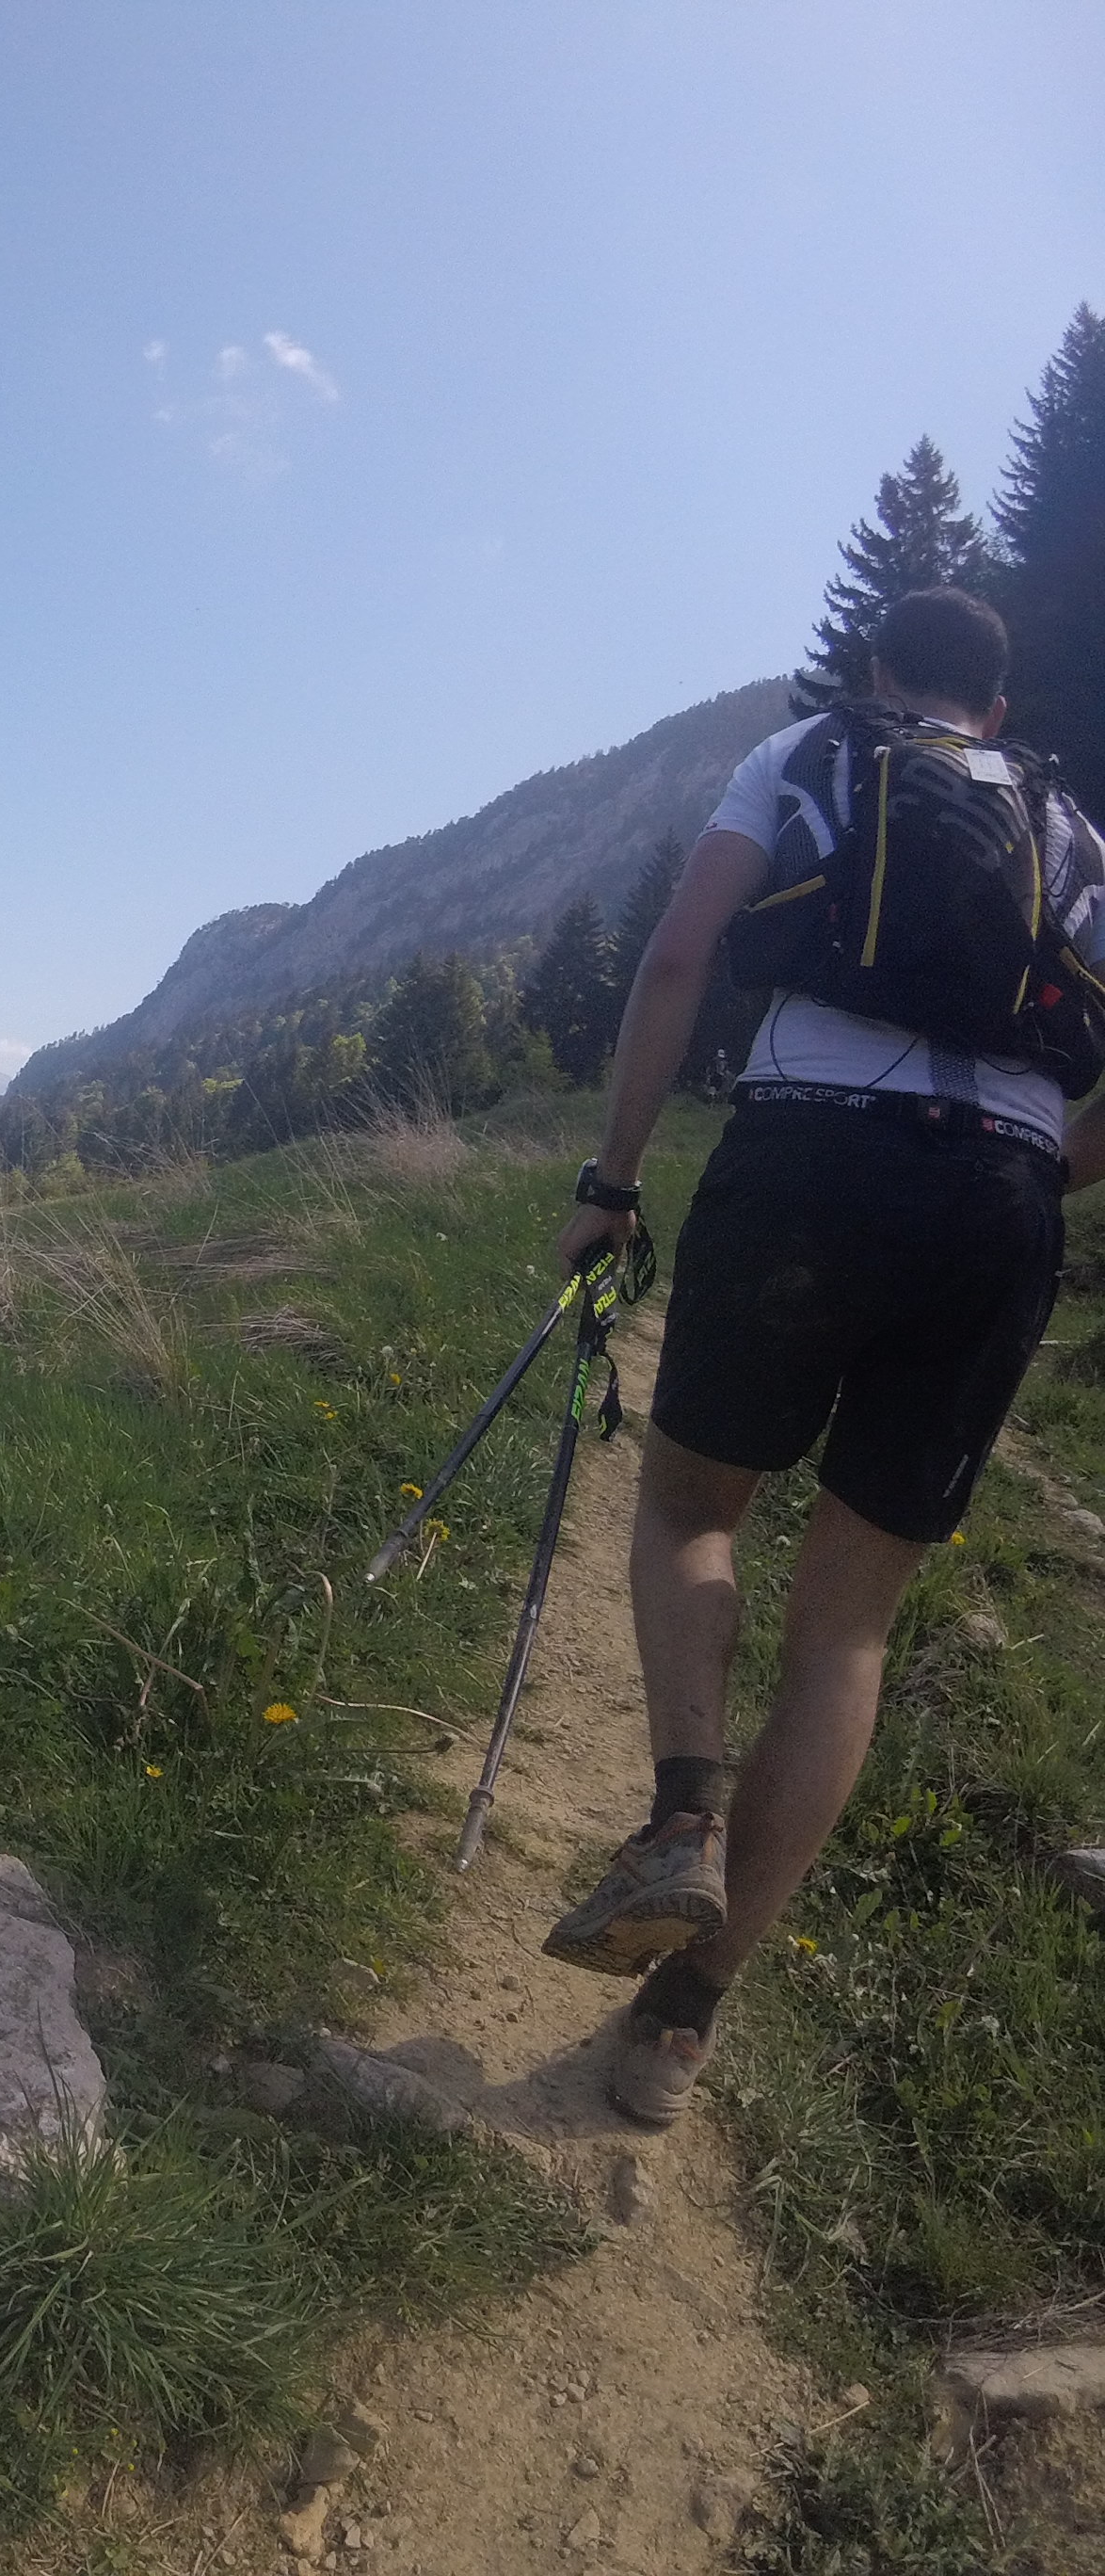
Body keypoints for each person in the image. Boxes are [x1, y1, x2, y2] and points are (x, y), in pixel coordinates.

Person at [544, 586, 1105, 2125]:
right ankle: (683, 2021)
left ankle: (682, 1818)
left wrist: (613, 1180)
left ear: (876, 672)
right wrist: (1036, 1178)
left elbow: (678, 958)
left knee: (689, 1506)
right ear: (998, 709)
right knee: (849, 1625)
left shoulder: (807, 755)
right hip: (998, 1201)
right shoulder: (1070, 830)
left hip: (807, 1160)